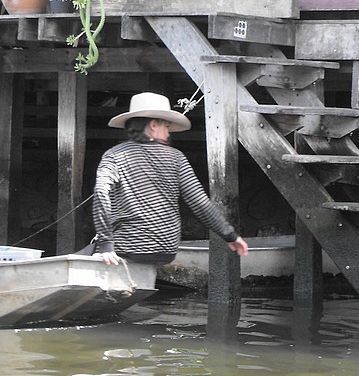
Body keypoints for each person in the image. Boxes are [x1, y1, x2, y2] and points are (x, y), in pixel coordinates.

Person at [86, 92, 247, 265]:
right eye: (167, 128)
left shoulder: (113, 156)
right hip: (166, 251)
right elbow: (200, 203)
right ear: (154, 125)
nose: (168, 134)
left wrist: (105, 243)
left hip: (128, 248)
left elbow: (101, 193)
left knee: (92, 253)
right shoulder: (177, 158)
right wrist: (230, 235)